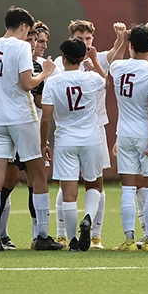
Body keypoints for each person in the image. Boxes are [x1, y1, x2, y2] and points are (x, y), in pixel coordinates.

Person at [0, 7, 63, 252]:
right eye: (29, 32)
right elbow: (27, 83)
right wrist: (47, 73)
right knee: (38, 173)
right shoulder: (21, 47)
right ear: (23, 27)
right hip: (22, 117)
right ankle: (41, 236)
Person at [52, 19, 125, 250]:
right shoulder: (60, 63)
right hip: (76, 130)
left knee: (96, 182)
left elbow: (113, 56)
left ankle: (95, 235)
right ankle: (62, 234)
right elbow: (104, 81)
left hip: (95, 127)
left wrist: (120, 38)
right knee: (69, 184)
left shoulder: (98, 57)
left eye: (88, 38)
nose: (85, 43)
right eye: (80, 39)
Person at [40, 38, 107, 251]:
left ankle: (72, 241)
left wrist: (43, 144)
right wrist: (94, 61)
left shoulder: (53, 81)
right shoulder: (90, 78)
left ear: (63, 57)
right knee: (94, 185)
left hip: (65, 140)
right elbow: (104, 79)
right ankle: (87, 217)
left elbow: (46, 118)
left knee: (68, 193)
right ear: (82, 58)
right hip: (90, 139)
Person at [108, 24, 148, 252]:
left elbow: (113, 60)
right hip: (146, 133)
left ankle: (129, 240)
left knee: (127, 189)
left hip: (124, 134)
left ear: (131, 45)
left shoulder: (118, 67)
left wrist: (122, 40)